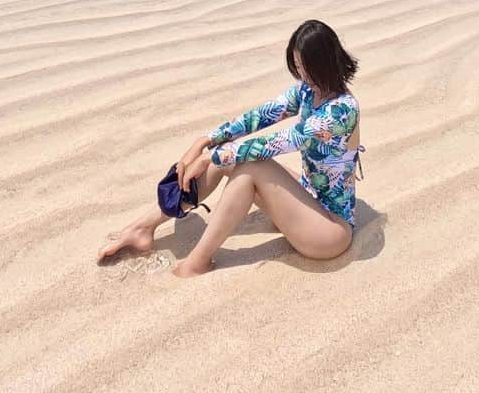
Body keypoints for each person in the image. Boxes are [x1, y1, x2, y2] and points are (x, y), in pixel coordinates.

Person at [96, 18, 365, 278]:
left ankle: (197, 263)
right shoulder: (310, 91)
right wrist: (206, 140)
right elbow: (261, 116)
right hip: (308, 198)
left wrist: (209, 157)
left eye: (306, 67)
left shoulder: (341, 111)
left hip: (330, 231)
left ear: (325, 64)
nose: (302, 74)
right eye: (297, 66)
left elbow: (278, 142)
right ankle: (144, 227)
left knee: (250, 166)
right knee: (229, 159)